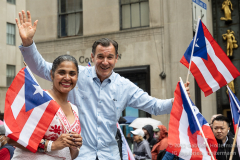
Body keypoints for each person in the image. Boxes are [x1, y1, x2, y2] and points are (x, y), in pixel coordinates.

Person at [15, 10, 190, 160]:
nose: (105, 62)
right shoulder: (76, 75)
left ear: (116, 58)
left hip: (111, 155)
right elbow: (41, 67)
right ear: (92, 57)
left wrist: (179, 99)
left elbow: (155, 106)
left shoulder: (124, 86)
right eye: (100, 56)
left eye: (110, 57)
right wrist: (28, 43)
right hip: (80, 155)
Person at [9, 55, 82, 160]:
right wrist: (51, 145)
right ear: (52, 75)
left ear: (77, 77)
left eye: (72, 74)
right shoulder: (38, 99)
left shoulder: (74, 109)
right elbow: (12, 138)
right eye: (61, 72)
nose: (67, 77)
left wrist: (75, 147)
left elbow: (69, 155)